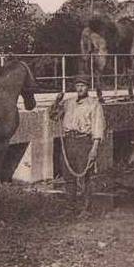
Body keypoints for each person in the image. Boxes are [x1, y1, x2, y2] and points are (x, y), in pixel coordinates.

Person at [49, 75, 106, 204]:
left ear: (87, 87)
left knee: (85, 176)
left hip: (83, 142)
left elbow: (98, 128)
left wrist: (94, 149)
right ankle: (71, 206)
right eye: (78, 86)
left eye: (83, 86)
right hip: (68, 141)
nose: (80, 89)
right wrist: (56, 102)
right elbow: (53, 116)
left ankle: (87, 208)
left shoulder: (94, 104)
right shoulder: (68, 103)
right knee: (68, 176)